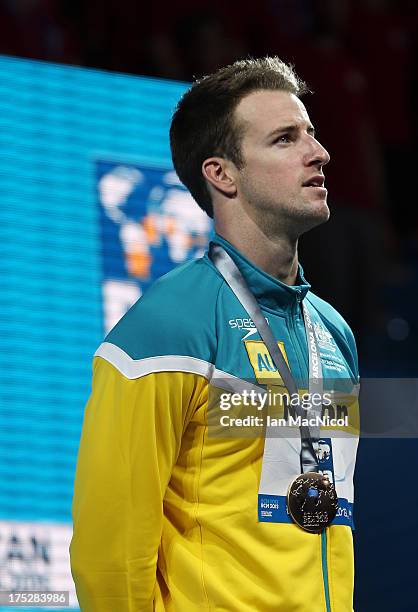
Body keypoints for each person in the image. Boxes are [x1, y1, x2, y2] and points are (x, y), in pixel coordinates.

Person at [70, 56, 360, 611]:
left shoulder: (332, 332)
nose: (318, 152)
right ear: (221, 174)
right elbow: (110, 552)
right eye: (284, 139)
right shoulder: (167, 326)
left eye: (312, 134)